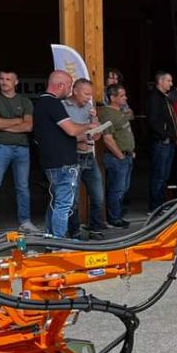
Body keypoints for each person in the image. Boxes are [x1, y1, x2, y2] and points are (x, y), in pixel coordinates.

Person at [33, 70, 97, 239]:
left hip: (50, 161)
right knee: (63, 204)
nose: (70, 90)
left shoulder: (39, 103)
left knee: (55, 202)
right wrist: (88, 127)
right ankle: (59, 243)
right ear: (60, 85)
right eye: (69, 85)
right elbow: (71, 130)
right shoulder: (53, 104)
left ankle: (50, 238)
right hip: (63, 162)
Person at [0, 70, 36, 239]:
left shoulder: (25, 100)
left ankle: (25, 221)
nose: (4, 82)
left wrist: (3, 124)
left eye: (8, 79)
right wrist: (18, 120)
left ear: (16, 82)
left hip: (22, 148)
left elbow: (29, 127)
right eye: (1, 79)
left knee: (23, 187)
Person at [64, 78, 106, 239]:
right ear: (75, 91)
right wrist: (81, 138)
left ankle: (95, 228)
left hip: (89, 156)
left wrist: (95, 121)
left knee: (98, 195)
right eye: (86, 94)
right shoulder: (63, 107)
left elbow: (96, 132)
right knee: (73, 199)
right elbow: (64, 134)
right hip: (73, 156)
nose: (89, 97)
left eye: (91, 94)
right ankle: (74, 231)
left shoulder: (89, 107)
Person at [99, 84, 134, 229]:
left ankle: (117, 214)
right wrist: (120, 155)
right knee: (117, 189)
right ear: (112, 98)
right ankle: (114, 218)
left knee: (123, 188)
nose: (125, 98)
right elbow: (107, 138)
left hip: (126, 156)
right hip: (116, 158)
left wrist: (130, 152)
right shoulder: (107, 113)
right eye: (122, 95)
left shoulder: (120, 111)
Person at [146, 71, 177, 212]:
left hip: (168, 142)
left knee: (164, 175)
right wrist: (164, 135)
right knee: (159, 176)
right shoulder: (155, 97)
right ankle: (155, 207)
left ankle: (160, 204)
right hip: (161, 143)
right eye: (169, 81)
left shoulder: (165, 97)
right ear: (160, 81)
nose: (171, 84)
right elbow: (152, 120)